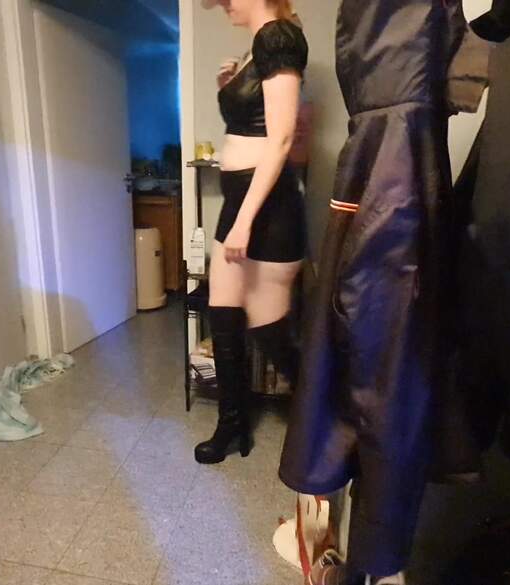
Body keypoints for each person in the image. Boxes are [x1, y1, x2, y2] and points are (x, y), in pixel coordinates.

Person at [194, 0, 308, 465]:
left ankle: (328, 421)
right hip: (240, 203)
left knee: (270, 329)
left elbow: (281, 139)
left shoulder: (277, 37)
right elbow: (252, 125)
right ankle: (232, 426)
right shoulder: (255, 47)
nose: (223, 5)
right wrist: (229, 87)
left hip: (268, 209)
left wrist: (244, 221)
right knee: (222, 314)